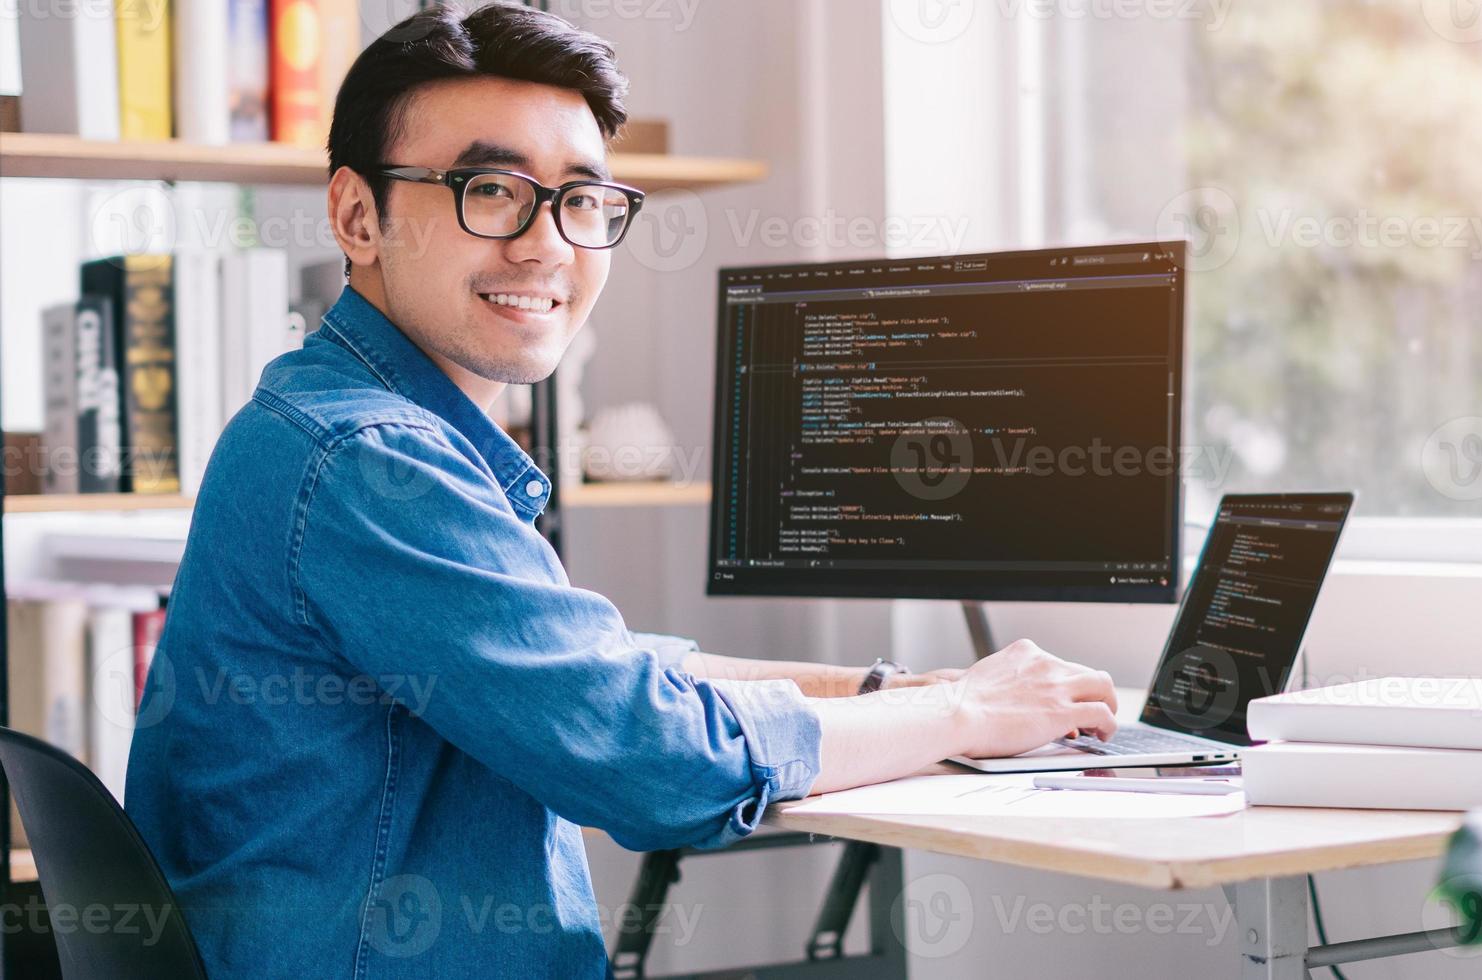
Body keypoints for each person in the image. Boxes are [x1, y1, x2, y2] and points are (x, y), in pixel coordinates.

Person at [124, 4, 1118, 976]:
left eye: (581, 200)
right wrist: (967, 718)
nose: (547, 243)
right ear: (356, 214)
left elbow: (587, 668)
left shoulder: (335, 416)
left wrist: (896, 691)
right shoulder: (370, 459)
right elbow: (651, 758)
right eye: (490, 189)